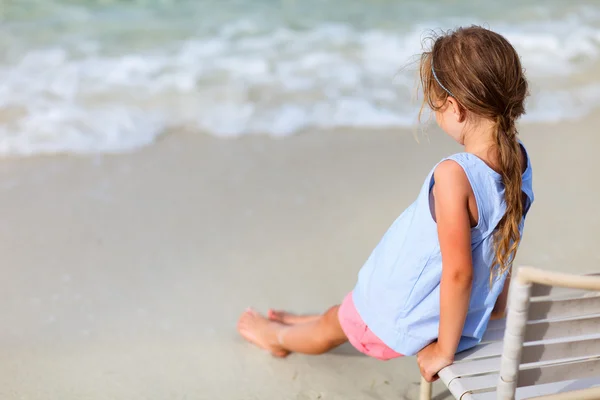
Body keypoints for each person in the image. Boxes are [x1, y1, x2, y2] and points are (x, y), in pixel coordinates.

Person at [237, 25, 534, 383]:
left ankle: (278, 337)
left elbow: (459, 274)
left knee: (334, 326)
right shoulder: (517, 159)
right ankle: (318, 318)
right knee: (339, 315)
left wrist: (444, 350)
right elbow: (506, 239)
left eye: (436, 105)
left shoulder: (456, 177)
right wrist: (495, 308)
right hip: (443, 309)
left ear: (455, 109)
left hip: (401, 316)